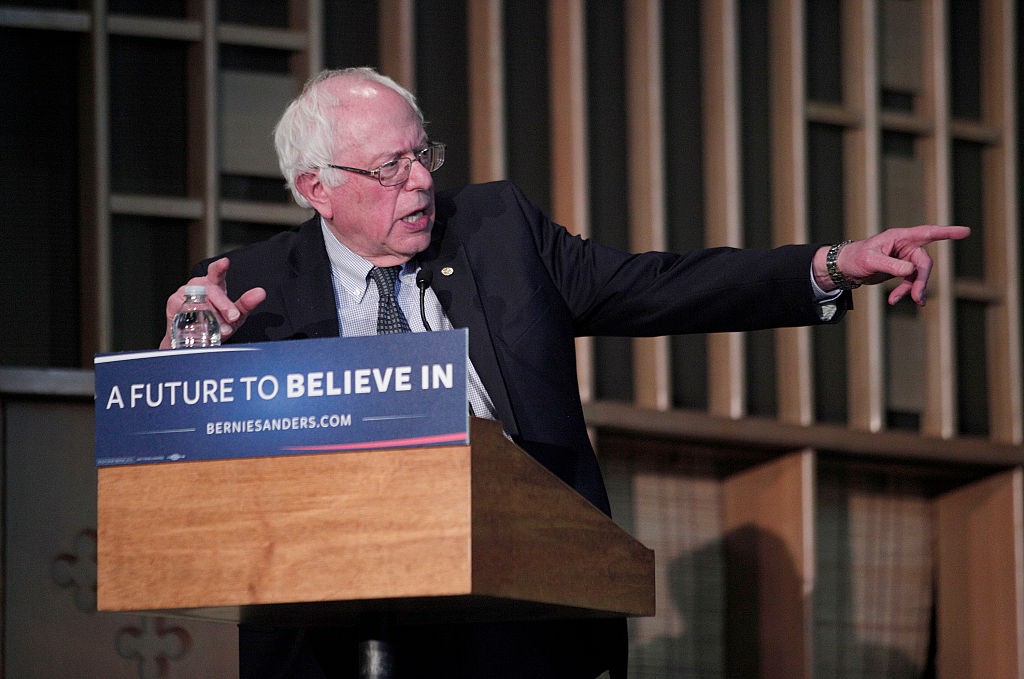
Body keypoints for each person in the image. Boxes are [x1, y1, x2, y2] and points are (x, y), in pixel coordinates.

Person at [159, 67, 969, 678]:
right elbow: (207, 465)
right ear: (317, 189)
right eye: (390, 168)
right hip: (329, 624)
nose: (421, 182)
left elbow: (660, 285)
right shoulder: (247, 286)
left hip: (517, 599)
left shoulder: (497, 231)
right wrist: (190, 359)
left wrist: (833, 263)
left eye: (423, 154)